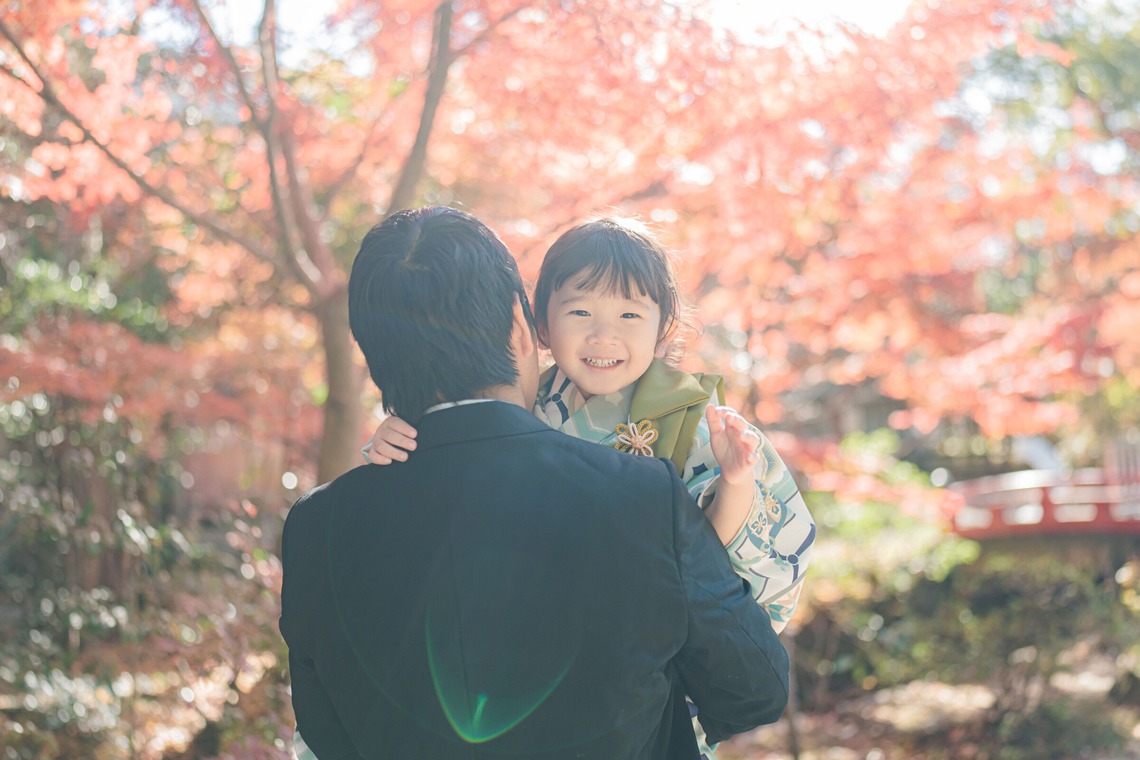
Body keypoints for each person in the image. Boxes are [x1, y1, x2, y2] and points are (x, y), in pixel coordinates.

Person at [280, 206, 790, 760]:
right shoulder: (642, 496)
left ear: (376, 358)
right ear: (525, 330)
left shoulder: (316, 528)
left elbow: (324, 732)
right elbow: (753, 693)